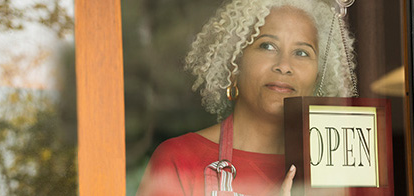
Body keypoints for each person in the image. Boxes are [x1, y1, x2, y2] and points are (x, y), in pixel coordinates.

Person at [137, 0, 357, 195]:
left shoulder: (338, 171)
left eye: (301, 52)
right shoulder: (180, 160)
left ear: (318, 77)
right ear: (234, 66)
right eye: (267, 46)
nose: (284, 66)